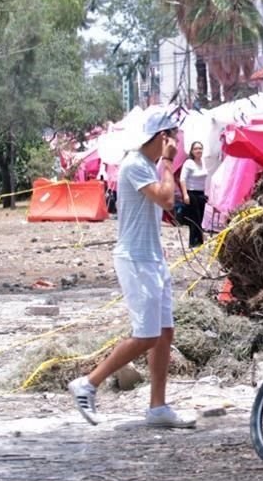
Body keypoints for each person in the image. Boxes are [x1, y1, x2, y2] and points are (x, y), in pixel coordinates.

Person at [68, 106, 196, 429]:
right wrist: (168, 163)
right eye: (174, 139)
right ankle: (88, 383)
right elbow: (167, 199)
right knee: (147, 335)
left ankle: (157, 406)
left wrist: (164, 164)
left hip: (153, 259)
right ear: (163, 137)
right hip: (135, 259)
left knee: (165, 333)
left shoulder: (150, 166)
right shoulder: (136, 165)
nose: (178, 146)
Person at [179, 141, 207, 248]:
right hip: (192, 193)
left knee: (200, 218)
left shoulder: (203, 162)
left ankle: (199, 241)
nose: (198, 151)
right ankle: (193, 242)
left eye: (200, 148)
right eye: (196, 149)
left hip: (201, 193)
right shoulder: (189, 163)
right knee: (194, 218)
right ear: (192, 151)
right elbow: (182, 179)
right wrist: (185, 194)